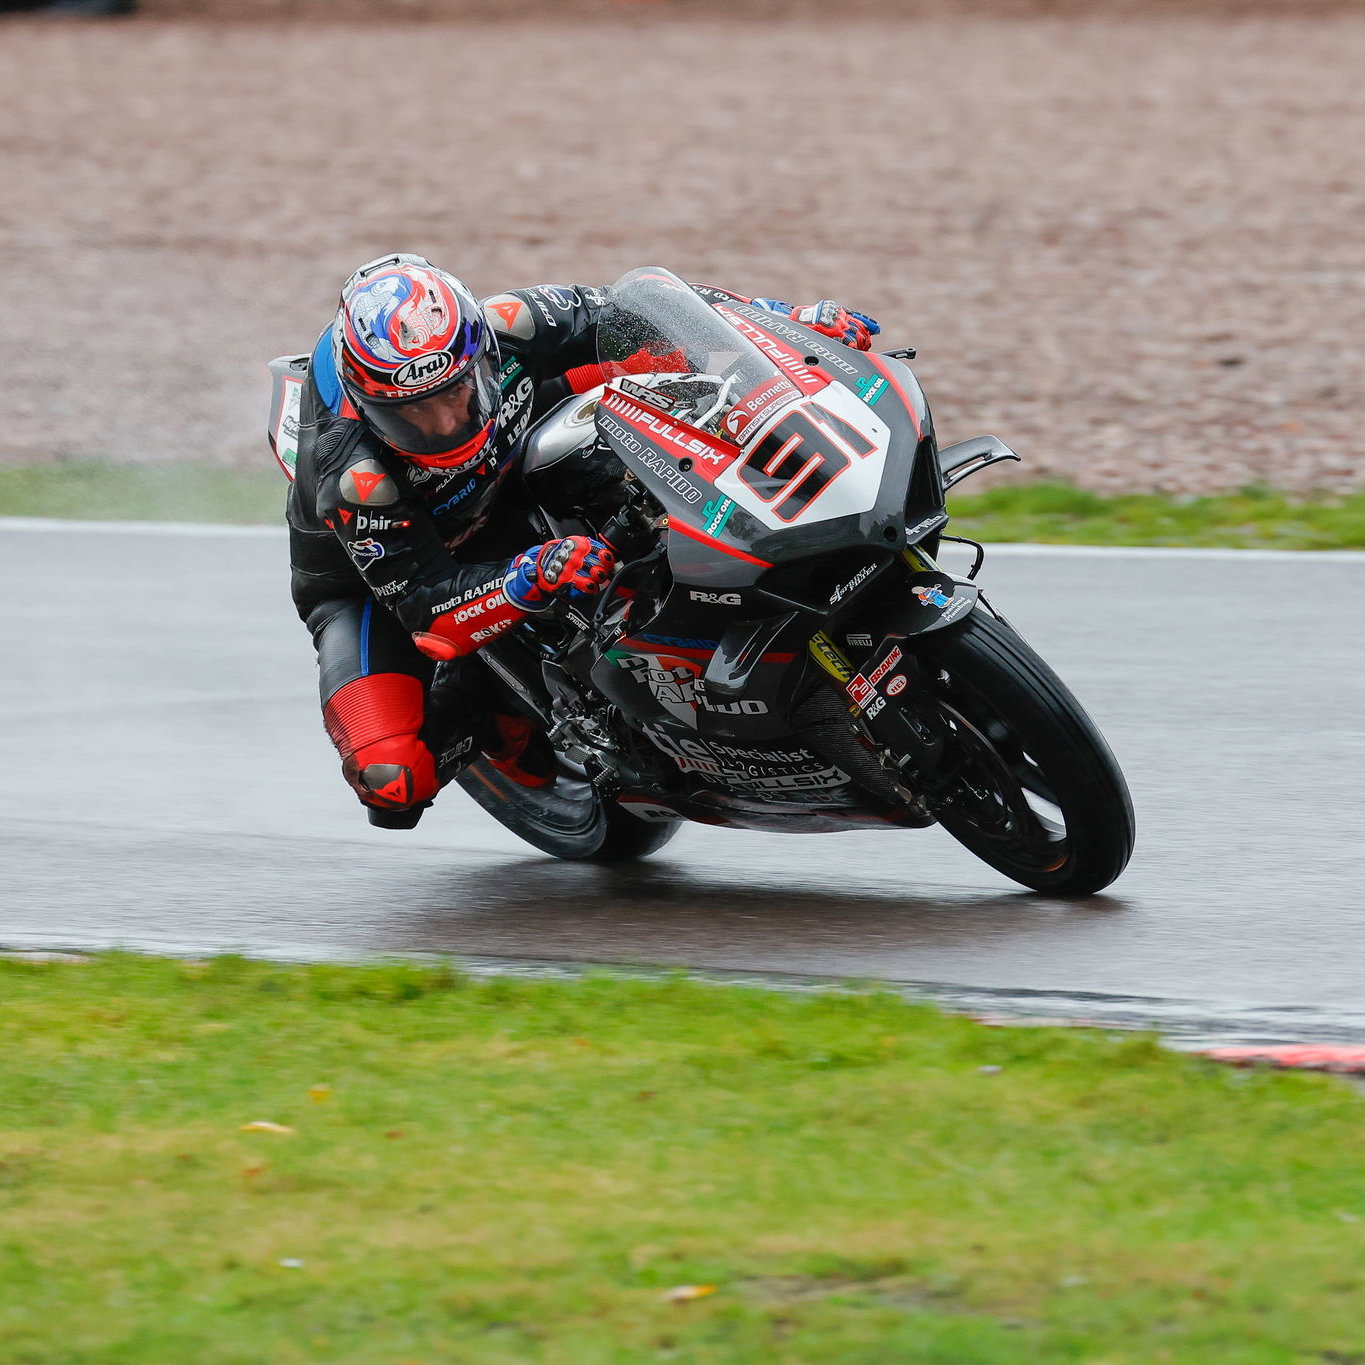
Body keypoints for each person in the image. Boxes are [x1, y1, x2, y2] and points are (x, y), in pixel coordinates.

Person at [287, 254, 880, 828]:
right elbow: (426, 612)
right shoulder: (353, 475)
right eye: (412, 415)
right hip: (375, 581)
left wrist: (789, 320)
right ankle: (497, 709)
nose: (444, 425)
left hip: (506, 475)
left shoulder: (507, 323)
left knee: (661, 359)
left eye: (455, 395)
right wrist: (530, 576)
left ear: (482, 358)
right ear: (370, 407)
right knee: (394, 780)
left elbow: (651, 311)